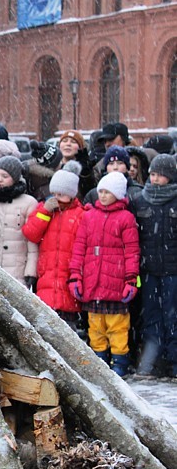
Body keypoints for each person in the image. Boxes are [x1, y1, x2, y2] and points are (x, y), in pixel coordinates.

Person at [69, 172, 140, 377]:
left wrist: (130, 280)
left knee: (118, 327)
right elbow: (79, 248)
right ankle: (99, 359)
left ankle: (119, 362)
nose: (103, 195)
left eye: (107, 192)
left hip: (116, 283)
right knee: (95, 326)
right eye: (100, 191)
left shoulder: (125, 218)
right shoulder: (89, 216)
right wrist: (76, 276)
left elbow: (132, 251)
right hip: (93, 283)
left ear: (117, 194)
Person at [22, 162, 87, 337]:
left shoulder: (80, 215)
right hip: (47, 277)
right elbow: (31, 232)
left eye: (61, 194)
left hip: (68, 276)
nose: (56, 198)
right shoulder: (45, 210)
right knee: (46, 326)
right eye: (54, 193)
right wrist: (45, 211)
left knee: (68, 329)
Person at [131, 155, 177, 378]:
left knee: (173, 317)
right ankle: (151, 363)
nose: (156, 179)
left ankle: (174, 363)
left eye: (161, 175)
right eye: (153, 174)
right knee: (151, 317)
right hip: (148, 270)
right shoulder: (140, 200)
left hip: (173, 271)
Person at [0, 156, 39, 285]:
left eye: (5, 176)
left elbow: (31, 241)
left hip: (16, 269)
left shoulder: (28, 202)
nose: (0, 179)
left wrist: (31, 270)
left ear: (14, 178)